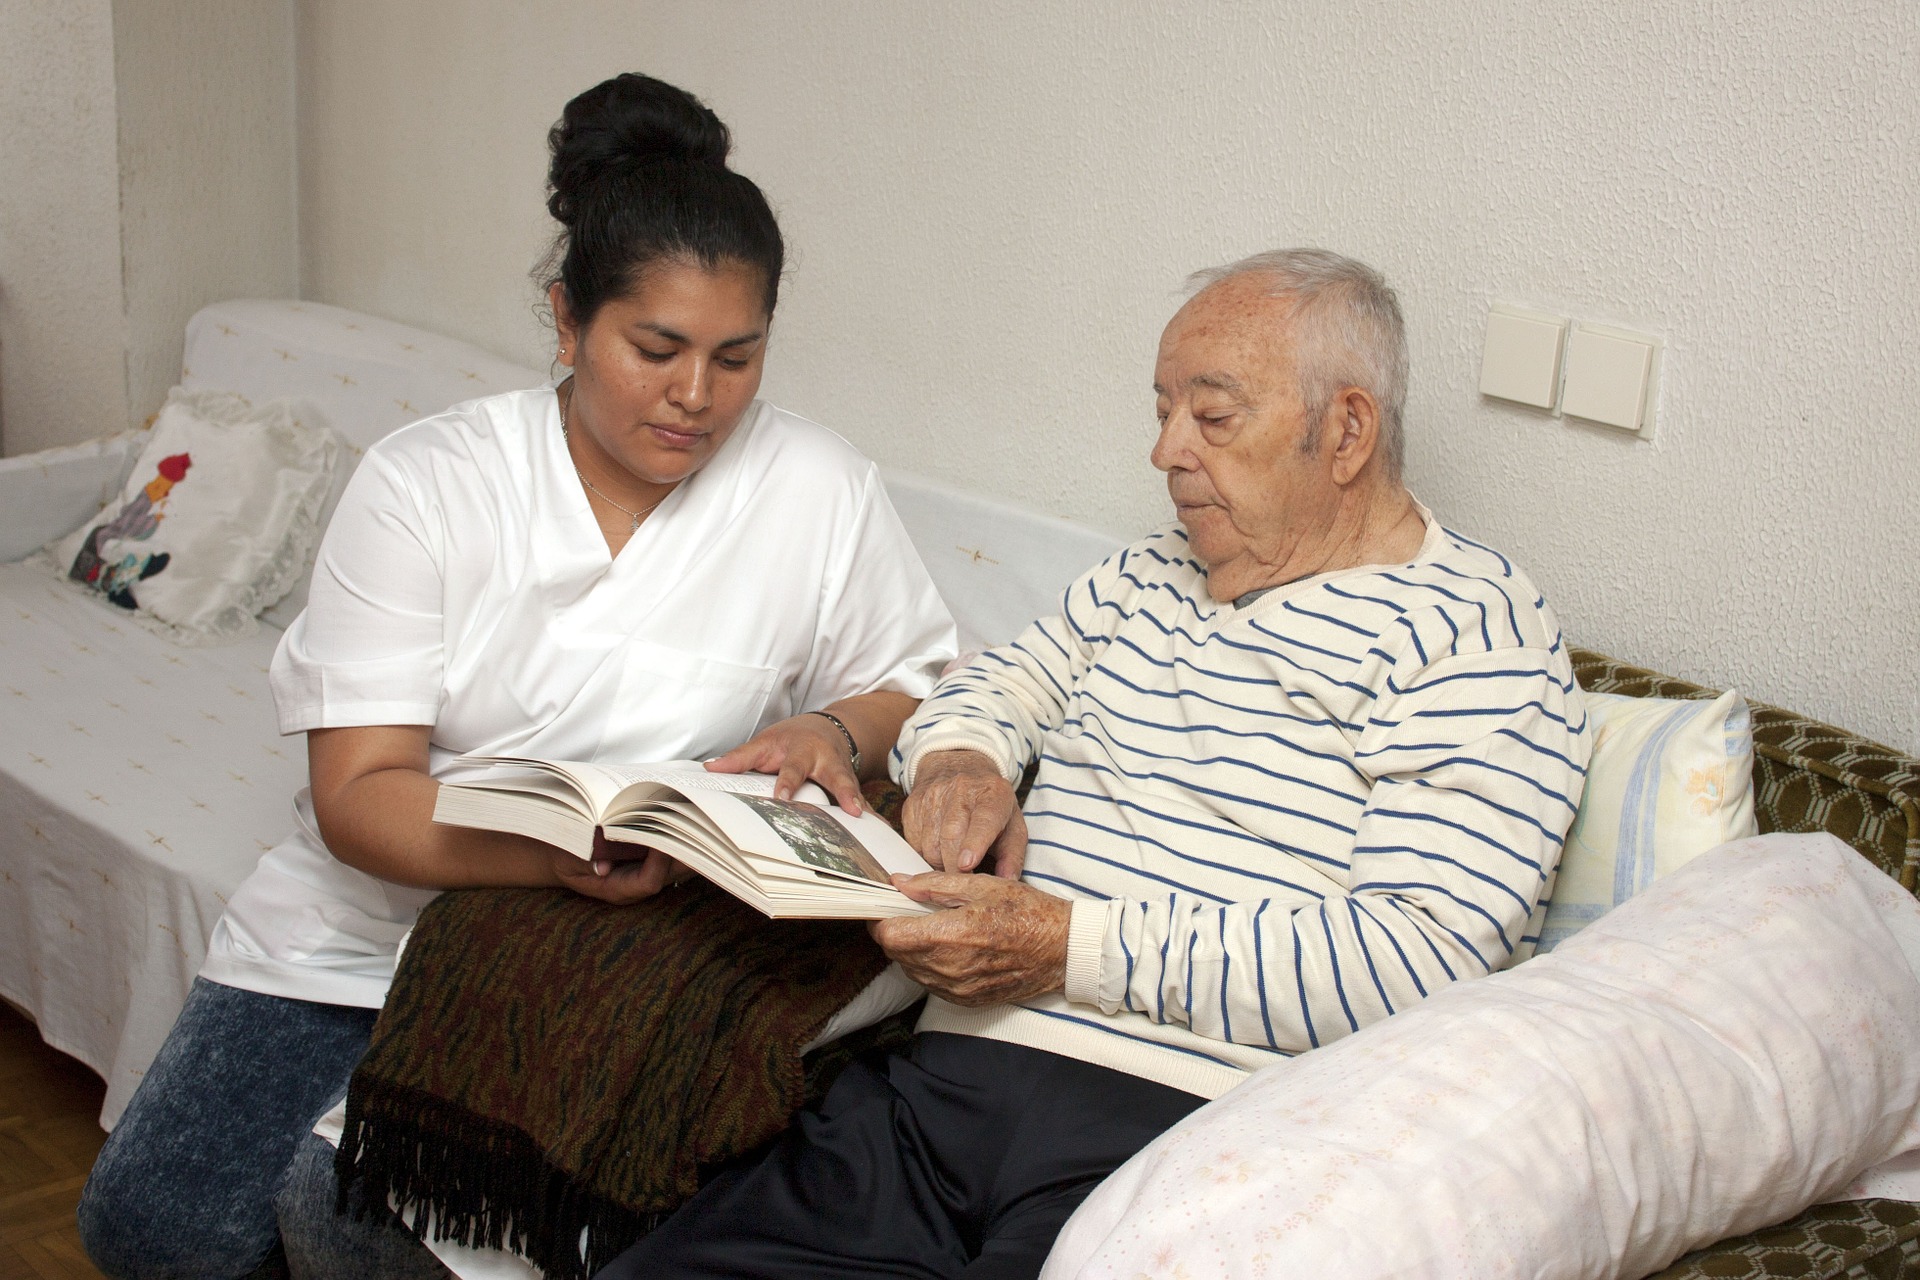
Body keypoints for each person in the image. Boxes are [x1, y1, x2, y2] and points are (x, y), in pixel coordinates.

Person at [75, 73, 956, 1280]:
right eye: (656, 348)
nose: (696, 397)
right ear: (565, 320)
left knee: (342, 1219)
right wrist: (547, 849)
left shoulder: (816, 483)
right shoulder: (429, 484)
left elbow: (908, 677)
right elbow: (361, 793)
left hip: (594, 951)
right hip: (365, 926)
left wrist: (829, 725)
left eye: (737, 357)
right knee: (150, 1226)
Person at [599, 248, 1594, 1279]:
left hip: (1196, 1145)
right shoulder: (1149, 571)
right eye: (1163, 409)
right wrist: (959, 762)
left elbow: (1415, 961)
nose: (1165, 451)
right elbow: (993, 683)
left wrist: (1069, 948)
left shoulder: (1471, 633)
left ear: (1345, 430)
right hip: (943, 1085)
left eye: (1212, 418)